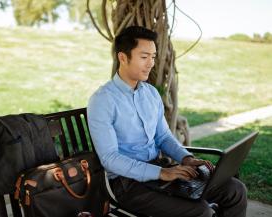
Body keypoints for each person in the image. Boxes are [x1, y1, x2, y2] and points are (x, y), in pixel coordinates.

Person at [87, 26, 247, 217]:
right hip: (126, 184)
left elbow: (162, 136)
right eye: (144, 57)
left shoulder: (151, 93)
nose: (151, 64)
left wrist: (185, 157)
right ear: (123, 57)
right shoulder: (102, 100)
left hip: (160, 170)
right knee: (201, 212)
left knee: (235, 190)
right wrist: (161, 173)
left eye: (153, 57)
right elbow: (110, 158)